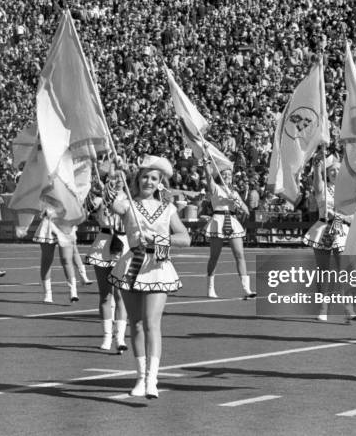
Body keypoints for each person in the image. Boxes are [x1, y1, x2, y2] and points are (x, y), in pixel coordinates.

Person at [108, 155, 190, 399]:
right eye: (145, 176)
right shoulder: (127, 204)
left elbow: (185, 238)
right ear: (137, 179)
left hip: (159, 263)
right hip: (132, 263)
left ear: (159, 182)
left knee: (152, 322)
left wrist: (159, 240)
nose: (148, 181)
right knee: (137, 324)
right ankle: (140, 377)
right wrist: (113, 174)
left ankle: (153, 379)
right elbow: (110, 200)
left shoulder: (168, 208)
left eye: (154, 178)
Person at [303, 153, 356, 322]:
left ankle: (349, 310)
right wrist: (318, 167)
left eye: (338, 170)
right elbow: (317, 185)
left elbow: (354, 215)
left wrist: (341, 217)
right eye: (332, 170)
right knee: (323, 272)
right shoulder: (323, 189)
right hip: (323, 230)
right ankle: (323, 307)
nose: (335, 173)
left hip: (342, 231)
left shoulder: (349, 192)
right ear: (327, 173)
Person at [201, 148, 255, 299]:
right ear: (220, 176)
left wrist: (236, 200)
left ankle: (246, 289)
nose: (227, 176)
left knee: (240, 255)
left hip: (232, 221)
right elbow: (208, 177)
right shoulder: (215, 188)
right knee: (214, 256)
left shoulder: (235, 192)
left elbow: (246, 211)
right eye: (224, 174)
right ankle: (210, 288)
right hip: (218, 220)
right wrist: (206, 164)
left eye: (229, 174)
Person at [85, 172, 129, 353]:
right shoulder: (98, 198)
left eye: (121, 178)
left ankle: (120, 338)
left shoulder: (129, 200)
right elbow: (84, 211)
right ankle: (106, 336)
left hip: (121, 245)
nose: (118, 181)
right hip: (103, 243)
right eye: (114, 178)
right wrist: (90, 191)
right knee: (105, 294)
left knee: (120, 294)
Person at [33, 201, 80, 304]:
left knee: (66, 259)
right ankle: (48, 294)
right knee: (46, 260)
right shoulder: (46, 189)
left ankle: (73, 291)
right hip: (48, 224)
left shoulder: (69, 187)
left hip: (65, 224)